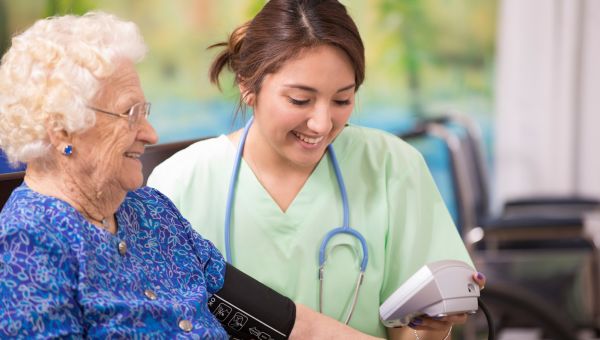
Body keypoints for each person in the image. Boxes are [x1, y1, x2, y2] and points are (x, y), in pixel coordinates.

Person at [0, 11, 377, 339]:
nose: (150, 134)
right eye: (131, 114)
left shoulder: (149, 213)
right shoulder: (26, 245)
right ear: (62, 131)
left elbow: (287, 324)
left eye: (145, 111)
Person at [148, 0, 486, 339]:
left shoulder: (390, 166)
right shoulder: (179, 182)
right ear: (247, 85)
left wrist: (431, 327)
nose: (322, 124)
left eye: (342, 100)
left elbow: (410, 331)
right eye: (299, 100)